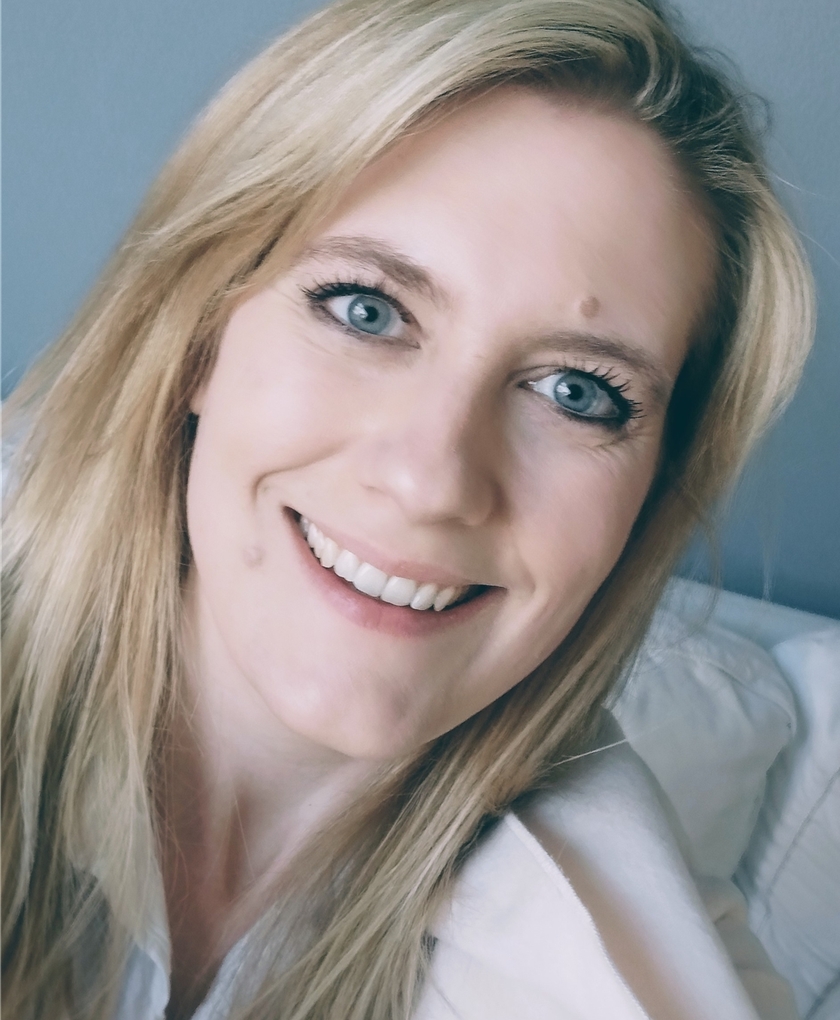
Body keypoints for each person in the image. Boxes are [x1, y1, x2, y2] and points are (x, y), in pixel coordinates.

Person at [1, 0, 815, 1018]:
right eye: (367, 310)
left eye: (576, 392)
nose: (433, 482)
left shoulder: (649, 981)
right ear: (196, 333)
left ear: (648, 496)